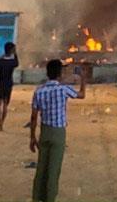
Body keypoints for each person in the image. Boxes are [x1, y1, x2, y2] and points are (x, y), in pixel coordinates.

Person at [28, 59, 80, 202]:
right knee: (53, 169)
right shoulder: (63, 89)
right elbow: (81, 95)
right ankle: (49, 198)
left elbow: (33, 117)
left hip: (44, 132)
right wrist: (83, 80)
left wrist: (32, 137)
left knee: (41, 168)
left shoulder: (39, 90)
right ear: (60, 73)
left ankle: (37, 197)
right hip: (58, 133)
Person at [0, 43, 19, 132]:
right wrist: (15, 54)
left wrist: (4, 54)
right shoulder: (12, 62)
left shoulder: (1, 61)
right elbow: (17, 63)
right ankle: (1, 123)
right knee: (5, 104)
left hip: (1, 84)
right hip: (9, 84)